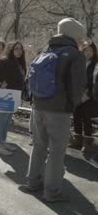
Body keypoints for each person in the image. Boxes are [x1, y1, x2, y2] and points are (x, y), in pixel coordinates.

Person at [23, 18, 87, 202]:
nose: (82, 40)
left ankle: (32, 182)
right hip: (59, 110)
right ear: (75, 35)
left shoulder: (46, 49)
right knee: (57, 152)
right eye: (81, 36)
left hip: (38, 106)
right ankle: (52, 192)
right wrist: (72, 106)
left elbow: (30, 77)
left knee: (39, 146)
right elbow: (77, 86)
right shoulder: (75, 54)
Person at [0, 41, 26, 156]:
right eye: (16, 48)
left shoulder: (18, 62)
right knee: (1, 120)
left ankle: (2, 142)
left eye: (20, 49)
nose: (19, 51)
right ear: (10, 50)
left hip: (14, 95)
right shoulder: (4, 61)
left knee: (7, 121)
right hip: (4, 95)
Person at [70, 42, 98, 152]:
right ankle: (77, 141)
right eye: (86, 50)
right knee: (76, 116)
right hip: (77, 95)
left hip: (91, 97)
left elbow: (95, 83)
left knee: (86, 117)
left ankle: (88, 143)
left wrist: (87, 95)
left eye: (91, 51)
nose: (88, 53)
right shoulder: (79, 63)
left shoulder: (95, 65)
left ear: (94, 52)